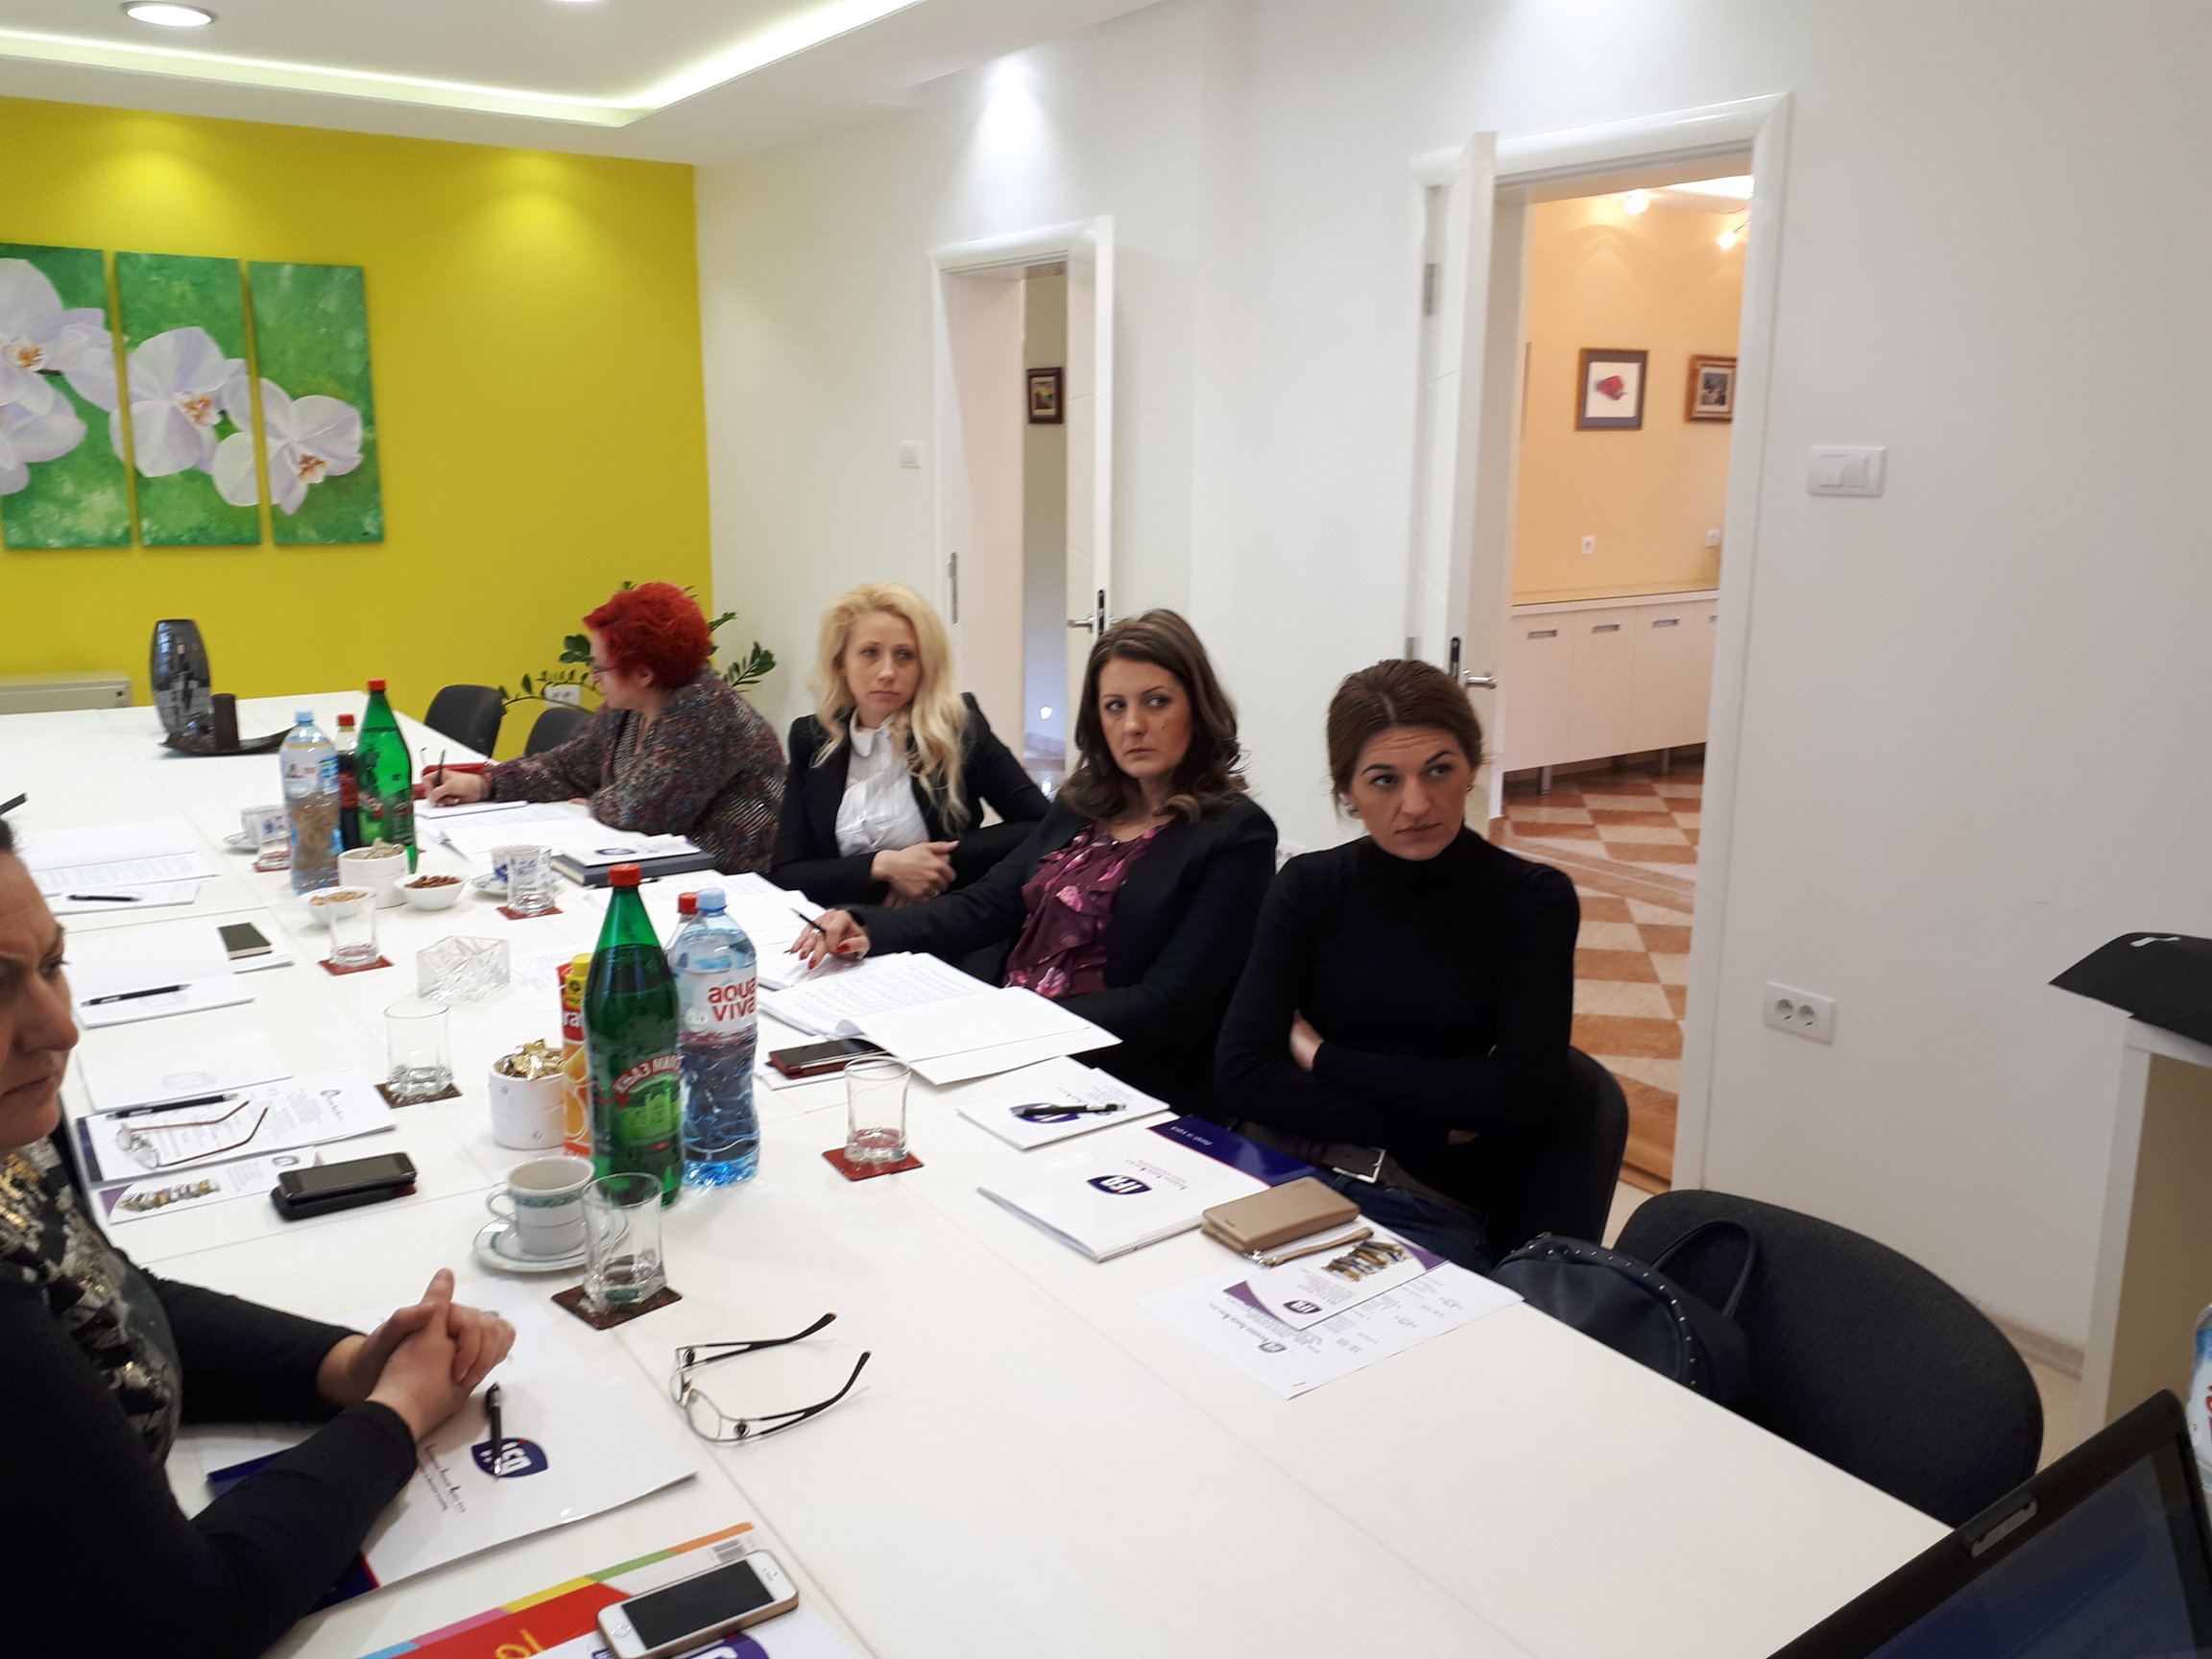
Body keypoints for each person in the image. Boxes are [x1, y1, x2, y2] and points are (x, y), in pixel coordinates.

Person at [0, 816, 516, 1657]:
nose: (60, 1029)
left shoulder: (12, 1118)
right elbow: (188, 1621)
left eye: (52, 965)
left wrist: (346, 1367)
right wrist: (399, 1412)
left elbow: (109, 1300)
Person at [800, 611, 1276, 1106]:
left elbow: (1167, 1004)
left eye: (1156, 702)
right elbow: (987, 904)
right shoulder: (1085, 803)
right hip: (1010, 1043)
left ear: (1197, 708)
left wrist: (1008, 1024)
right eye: (1114, 706)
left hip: (1116, 1077)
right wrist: (868, 927)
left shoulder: (1236, 834)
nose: (1133, 725)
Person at [1214, 660, 1578, 1270]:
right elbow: (1241, 1075)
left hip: (1419, 1200)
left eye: (1439, 770)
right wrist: (1436, 1124)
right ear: (1347, 792)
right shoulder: (1308, 886)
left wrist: (1323, 1058)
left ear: (1471, 768)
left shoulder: (1532, 901)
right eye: (1384, 780)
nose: (1416, 804)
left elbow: (1516, 1098)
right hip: (1271, 1166)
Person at [427, 583, 784, 874]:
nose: (594, 678)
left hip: (723, 882)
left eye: (600, 668)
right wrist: (485, 784)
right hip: (653, 866)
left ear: (643, 673)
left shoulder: (706, 714)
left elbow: (639, 813)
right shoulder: (632, 706)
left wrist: (595, 801)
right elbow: (568, 767)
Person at [772, 582, 1047, 907]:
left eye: (905, 655)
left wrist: (934, 863)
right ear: (841, 662)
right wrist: (884, 865)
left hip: (940, 918)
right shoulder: (813, 738)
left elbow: (1041, 825)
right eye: (870, 652)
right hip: (841, 922)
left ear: (923, 665)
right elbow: (787, 873)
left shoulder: (957, 727)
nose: (887, 672)